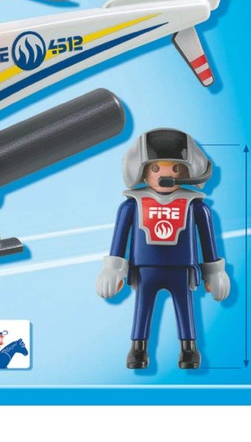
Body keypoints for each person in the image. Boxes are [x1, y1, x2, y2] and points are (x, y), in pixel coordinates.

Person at [95, 129, 230, 369]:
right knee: (143, 308)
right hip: (145, 269)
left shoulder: (195, 206)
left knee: (185, 307)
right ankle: (138, 349)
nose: (165, 175)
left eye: (176, 168)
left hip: (181, 268)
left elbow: (208, 241)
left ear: (189, 171)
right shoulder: (132, 206)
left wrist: (215, 272)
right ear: (141, 171)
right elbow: (120, 239)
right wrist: (113, 269)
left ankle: (189, 349)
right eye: (155, 168)